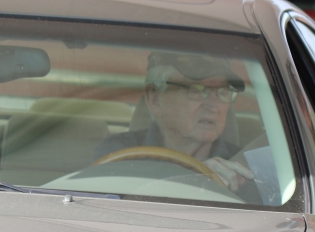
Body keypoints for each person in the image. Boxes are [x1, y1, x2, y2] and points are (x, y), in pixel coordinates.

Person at [92, 52, 254, 192]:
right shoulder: (118, 153)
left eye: (223, 91)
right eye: (197, 90)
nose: (214, 106)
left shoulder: (243, 168)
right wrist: (194, 179)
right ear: (155, 99)